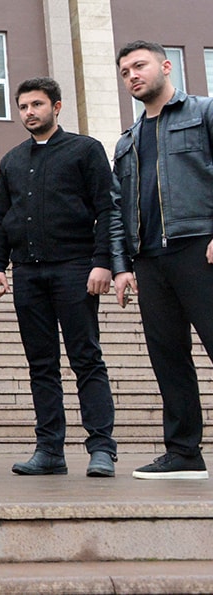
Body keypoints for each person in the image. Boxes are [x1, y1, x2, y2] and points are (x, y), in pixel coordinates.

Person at [0, 76, 118, 477]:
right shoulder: (11, 160)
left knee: (86, 358)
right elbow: (1, 217)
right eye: (23, 106)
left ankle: (101, 448)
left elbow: (107, 208)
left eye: (37, 104)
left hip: (75, 268)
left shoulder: (85, 150)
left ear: (56, 107)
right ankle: (49, 451)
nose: (29, 112)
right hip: (28, 274)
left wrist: (103, 262)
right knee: (41, 365)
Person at [111, 40, 213, 480]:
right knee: (168, 357)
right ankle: (184, 452)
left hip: (199, 247)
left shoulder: (203, 112)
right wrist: (121, 265)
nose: (133, 76)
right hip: (149, 259)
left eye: (140, 66)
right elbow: (117, 209)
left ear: (166, 66)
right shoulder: (127, 141)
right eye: (125, 72)